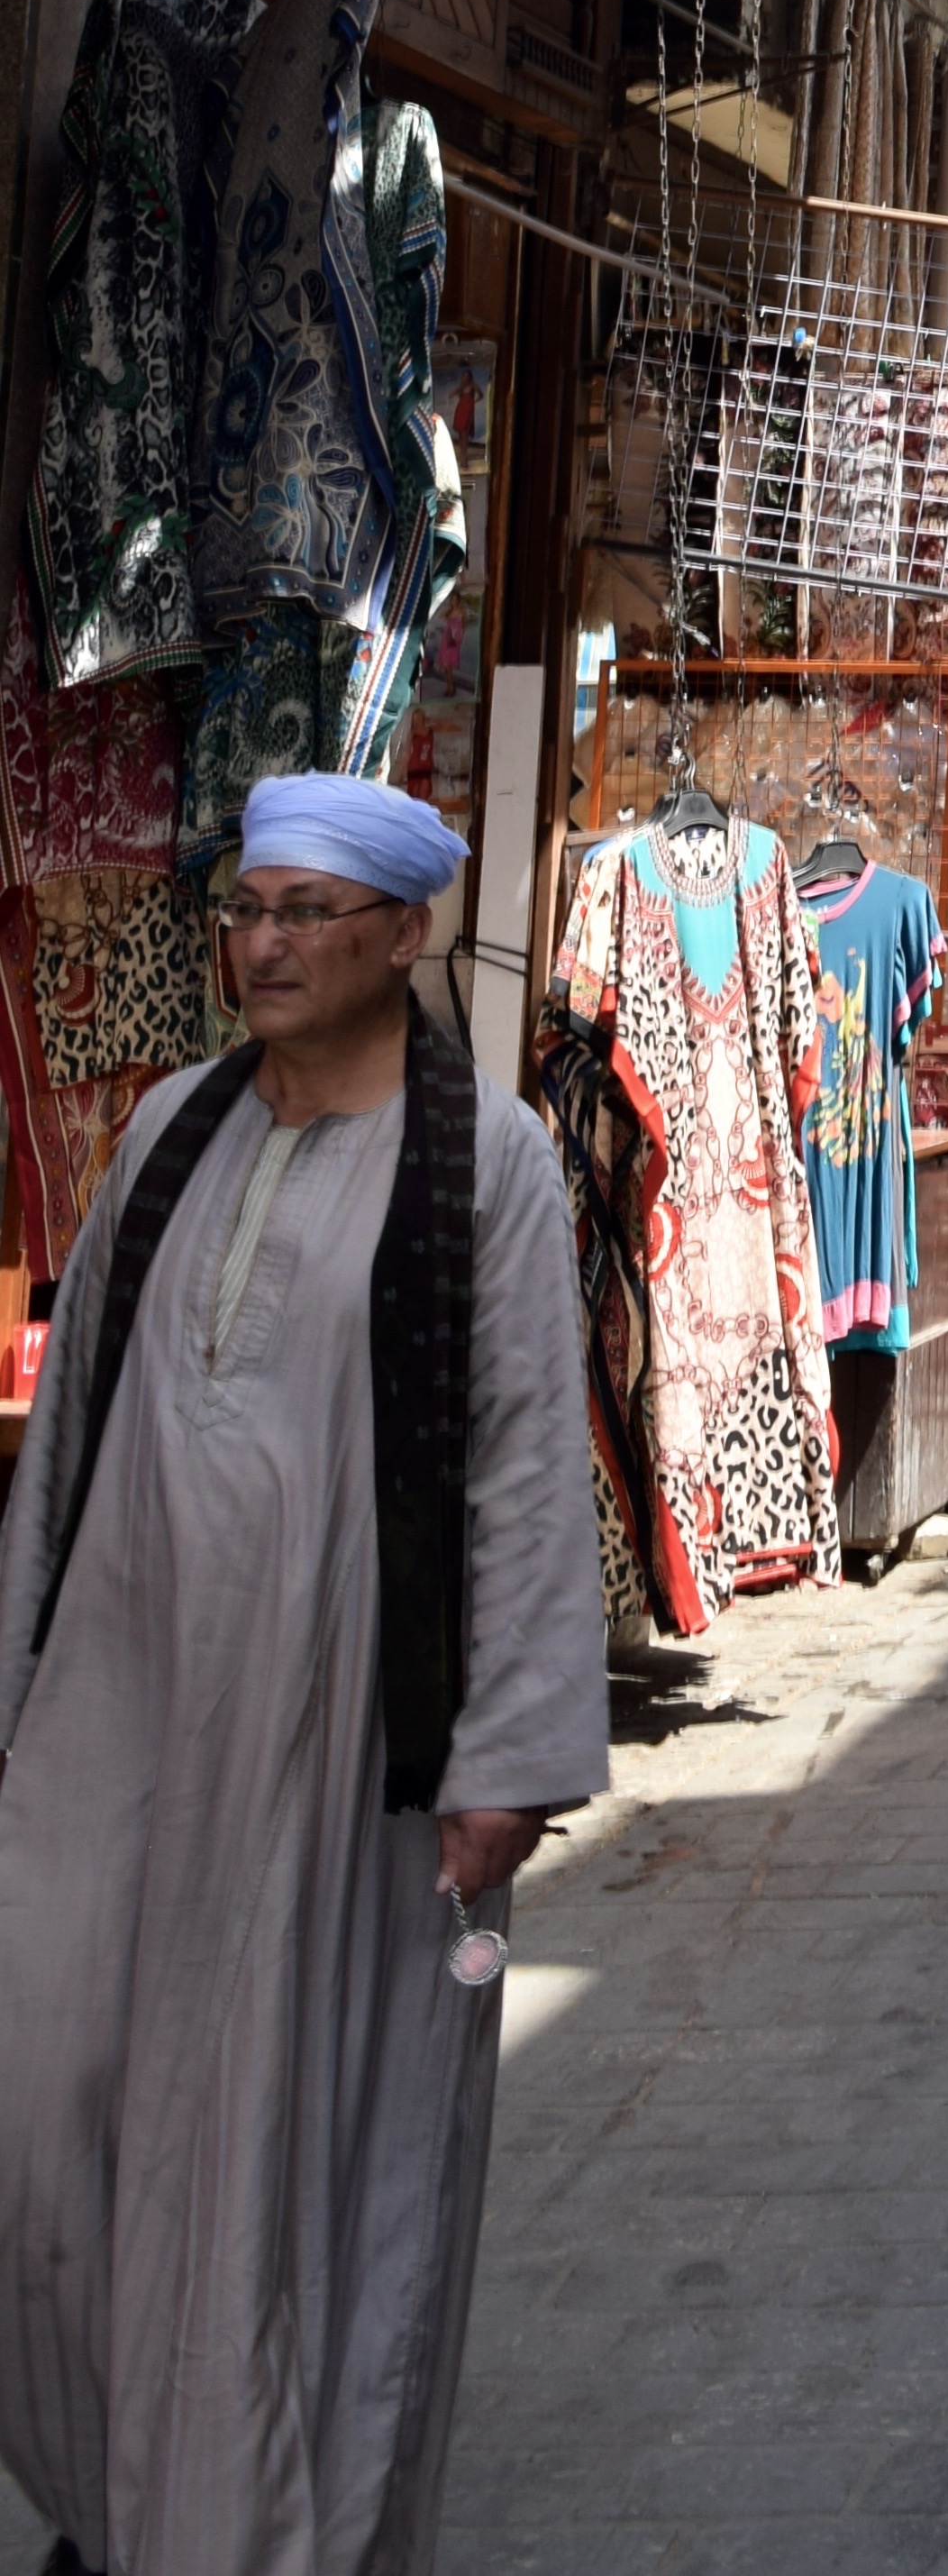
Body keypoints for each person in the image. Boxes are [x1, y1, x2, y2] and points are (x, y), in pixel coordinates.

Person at [0, 770, 610, 2576]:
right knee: (43, 2108)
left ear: (401, 935)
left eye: (302, 914)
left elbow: (524, 1458)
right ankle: (121, 2491)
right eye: (245, 912)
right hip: (119, 1708)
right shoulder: (169, 1127)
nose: (260, 946)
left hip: (338, 1747)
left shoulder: (484, 1164)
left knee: (280, 2155)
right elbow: (71, 1432)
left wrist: (508, 1753)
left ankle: (262, 2528)